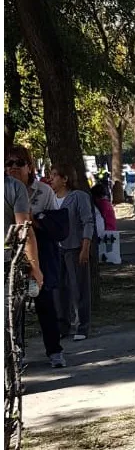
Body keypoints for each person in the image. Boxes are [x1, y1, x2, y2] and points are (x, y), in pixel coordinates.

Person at [5, 145, 67, 367]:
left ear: (29, 167)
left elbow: (54, 224)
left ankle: (54, 351)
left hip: (39, 252)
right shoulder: (8, 188)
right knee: (14, 309)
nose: (13, 167)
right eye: (9, 163)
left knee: (44, 304)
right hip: (12, 256)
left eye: (19, 163)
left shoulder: (43, 191)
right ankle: (16, 353)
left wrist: (35, 219)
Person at [50, 163, 94, 341]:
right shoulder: (50, 198)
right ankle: (62, 325)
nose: (50, 179)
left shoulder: (78, 197)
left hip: (75, 247)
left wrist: (85, 247)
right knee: (59, 289)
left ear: (65, 179)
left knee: (79, 288)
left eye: (54, 175)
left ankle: (82, 325)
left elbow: (88, 222)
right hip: (56, 249)